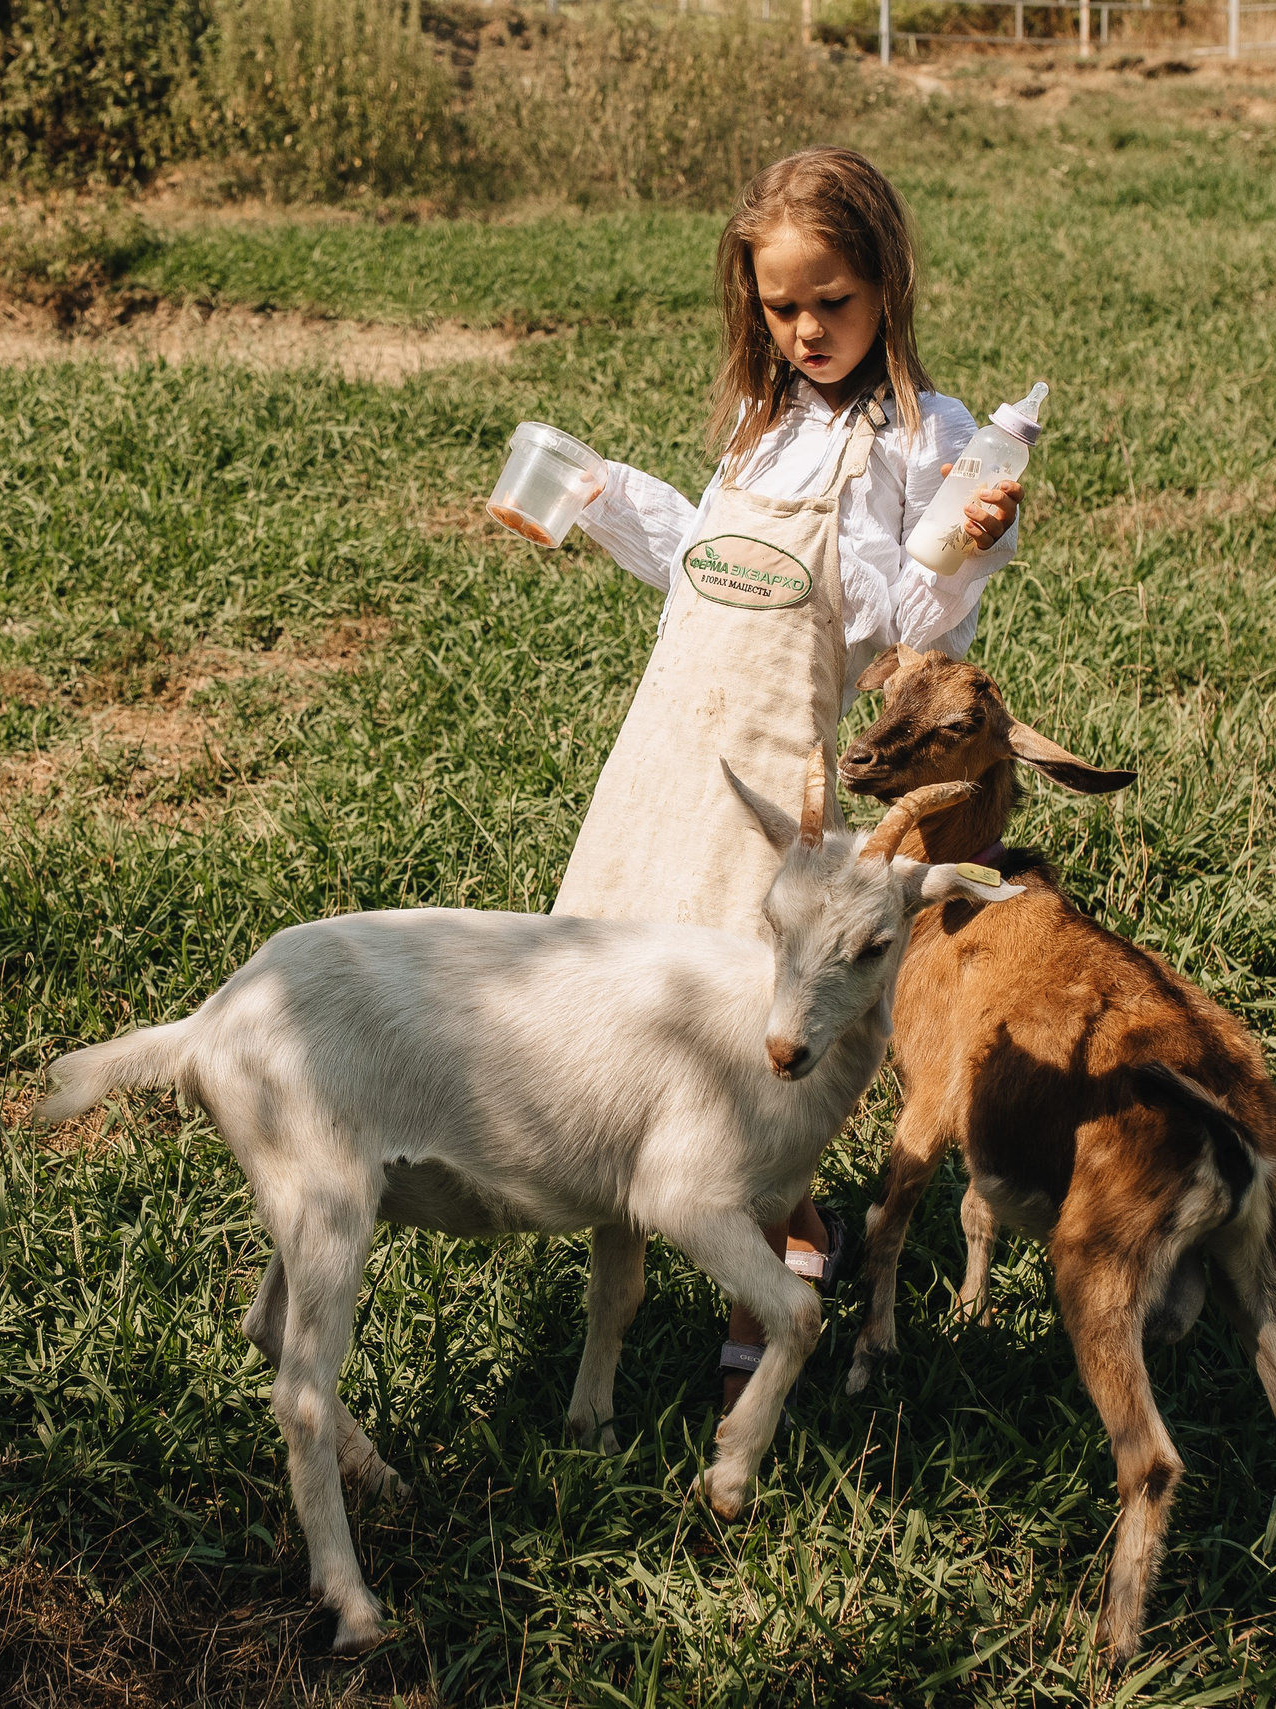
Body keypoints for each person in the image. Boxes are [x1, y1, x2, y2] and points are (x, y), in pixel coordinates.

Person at [556, 145, 1024, 1407]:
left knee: (761, 1017)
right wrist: (601, 500)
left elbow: (909, 616)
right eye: (781, 306)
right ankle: (664, 1220)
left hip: (774, 766)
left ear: (886, 284)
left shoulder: (925, 439)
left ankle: (783, 1257)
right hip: (667, 748)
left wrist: (971, 543)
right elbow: (708, 563)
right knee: (640, 989)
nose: (808, 329)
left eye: (833, 301)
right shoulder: (761, 428)